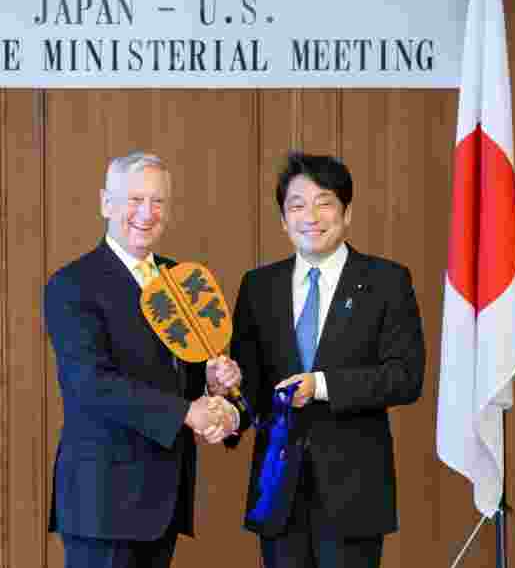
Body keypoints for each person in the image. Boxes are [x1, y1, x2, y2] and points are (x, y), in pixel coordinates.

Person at [219, 152, 425, 568]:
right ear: (283, 219)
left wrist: (322, 385)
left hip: (354, 492)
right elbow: (251, 387)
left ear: (346, 212)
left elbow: (405, 377)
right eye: (296, 205)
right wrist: (224, 394)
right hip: (279, 490)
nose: (310, 216)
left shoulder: (387, 281)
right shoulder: (259, 286)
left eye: (324, 202)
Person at [45, 151, 242, 568]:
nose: (146, 213)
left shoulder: (182, 277)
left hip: (164, 501)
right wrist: (188, 412)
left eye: (158, 202)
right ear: (105, 203)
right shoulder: (72, 285)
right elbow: (91, 383)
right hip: (102, 504)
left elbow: (181, 372)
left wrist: (212, 385)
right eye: (134, 200)